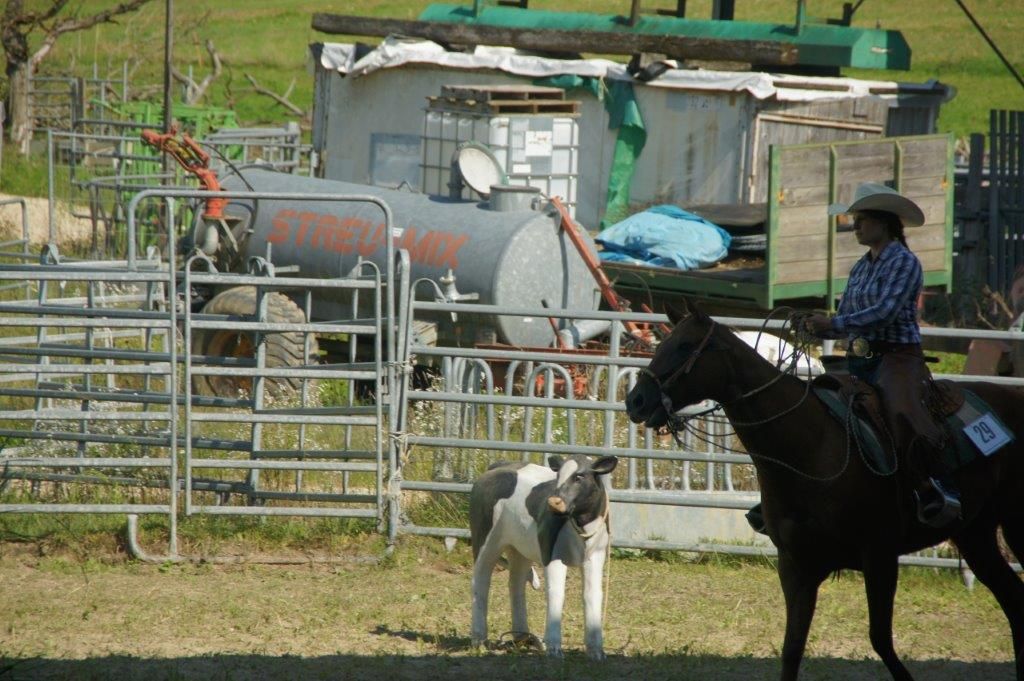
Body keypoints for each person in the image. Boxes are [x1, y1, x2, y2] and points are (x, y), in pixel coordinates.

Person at [803, 182, 961, 528]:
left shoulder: (904, 263)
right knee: (818, 403)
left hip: (898, 357)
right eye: (856, 219)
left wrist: (832, 323)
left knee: (902, 412)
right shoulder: (862, 266)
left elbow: (884, 313)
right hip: (860, 357)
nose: (856, 226)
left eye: (862, 219)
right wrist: (823, 327)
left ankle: (930, 485)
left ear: (884, 223)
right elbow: (852, 313)